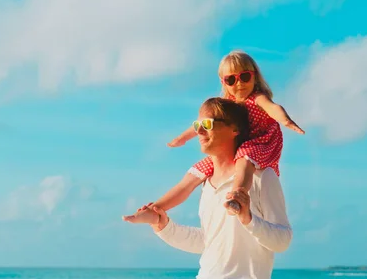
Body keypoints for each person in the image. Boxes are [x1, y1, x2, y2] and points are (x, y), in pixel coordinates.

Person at [130, 97, 293, 279]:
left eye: (207, 125)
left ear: (234, 129)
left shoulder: (262, 177)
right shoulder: (206, 183)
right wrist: (162, 225)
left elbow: (283, 241)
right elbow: (210, 242)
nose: (199, 131)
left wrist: (248, 219)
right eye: (197, 125)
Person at [123, 50, 303, 223]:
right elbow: (204, 123)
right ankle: (155, 209)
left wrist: (286, 120)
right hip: (233, 146)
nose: (239, 84)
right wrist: (183, 137)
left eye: (245, 77)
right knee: (194, 174)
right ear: (223, 82)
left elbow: (273, 108)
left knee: (244, 160)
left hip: (259, 142)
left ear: (254, 76)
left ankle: (238, 196)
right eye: (231, 80)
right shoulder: (227, 105)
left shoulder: (257, 98)